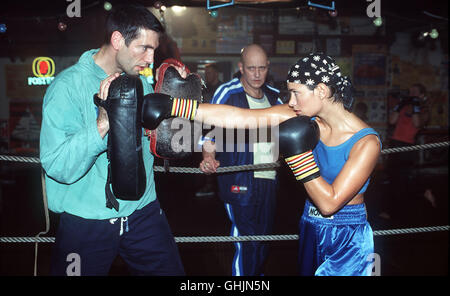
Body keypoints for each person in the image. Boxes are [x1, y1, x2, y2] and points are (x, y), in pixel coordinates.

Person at [142, 52, 381, 276]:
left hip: (346, 236)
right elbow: (239, 117)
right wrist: (174, 107)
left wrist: (297, 154)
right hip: (310, 223)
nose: (292, 101)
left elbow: (329, 203)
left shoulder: (366, 142)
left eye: (297, 93)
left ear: (320, 90)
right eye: (289, 93)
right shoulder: (306, 117)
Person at [39, 5, 185, 276]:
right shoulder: (67, 88)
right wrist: (103, 124)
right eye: (144, 48)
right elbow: (57, 165)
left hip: (143, 214)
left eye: (154, 49)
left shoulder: (141, 84)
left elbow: (165, 146)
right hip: (86, 223)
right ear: (118, 40)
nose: (150, 59)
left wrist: (178, 108)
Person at [198, 44, 283, 276]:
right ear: (241, 68)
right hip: (239, 176)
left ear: (268, 68)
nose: (257, 74)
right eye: (251, 68)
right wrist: (208, 156)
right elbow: (208, 130)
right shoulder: (228, 92)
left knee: (263, 242)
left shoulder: (275, 97)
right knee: (247, 241)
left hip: (269, 179)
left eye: (262, 68)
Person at [386, 83, 433, 220]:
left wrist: (416, 107)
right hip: (395, 144)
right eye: (410, 91)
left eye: (414, 92)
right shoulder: (404, 106)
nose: (411, 94)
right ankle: (392, 211)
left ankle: (423, 191)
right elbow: (391, 121)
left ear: (422, 95)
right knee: (393, 178)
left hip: (408, 145)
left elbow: (417, 123)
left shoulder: (424, 110)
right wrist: (399, 105)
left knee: (405, 178)